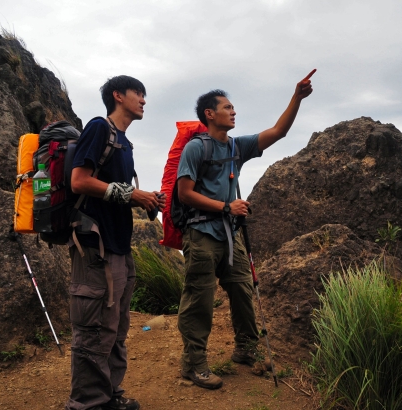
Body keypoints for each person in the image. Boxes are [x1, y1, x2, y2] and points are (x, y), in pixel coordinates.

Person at [176, 69, 316, 389]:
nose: (234, 111)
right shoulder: (197, 148)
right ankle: (194, 363)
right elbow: (185, 193)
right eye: (227, 107)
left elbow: (278, 131)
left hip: (230, 234)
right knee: (200, 298)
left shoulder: (237, 147)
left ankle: (246, 348)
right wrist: (227, 207)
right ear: (209, 114)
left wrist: (296, 97)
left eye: (233, 107)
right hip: (201, 234)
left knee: (241, 289)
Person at [66, 75, 166, 410]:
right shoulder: (99, 128)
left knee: (115, 328)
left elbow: (114, 192)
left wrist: (143, 199)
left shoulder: (124, 143)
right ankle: (87, 404)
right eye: (139, 93)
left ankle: (108, 395)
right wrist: (131, 193)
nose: (143, 100)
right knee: (95, 329)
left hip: (118, 248)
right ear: (118, 95)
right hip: (96, 248)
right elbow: (79, 181)